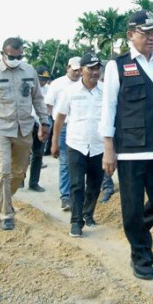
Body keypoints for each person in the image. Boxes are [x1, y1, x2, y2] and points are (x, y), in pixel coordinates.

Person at [100, 10, 153, 280]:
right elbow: (109, 107)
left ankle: (136, 228)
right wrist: (108, 147)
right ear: (131, 35)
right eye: (145, 32)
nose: (151, 37)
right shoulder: (117, 66)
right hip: (130, 150)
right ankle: (141, 255)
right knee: (132, 205)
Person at [0, 38, 50, 231]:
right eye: (12, 56)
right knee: (3, 171)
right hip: (0, 128)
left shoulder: (29, 71)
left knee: (19, 173)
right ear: (3, 54)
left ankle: (3, 196)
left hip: (24, 129)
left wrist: (44, 121)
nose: (16, 59)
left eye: (19, 56)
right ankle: (6, 214)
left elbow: (38, 99)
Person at [52, 52, 104, 238]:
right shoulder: (70, 91)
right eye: (90, 68)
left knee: (95, 184)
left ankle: (88, 213)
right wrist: (55, 142)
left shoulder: (105, 92)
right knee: (76, 185)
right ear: (82, 70)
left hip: (99, 146)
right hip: (76, 144)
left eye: (97, 68)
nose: (94, 72)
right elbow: (60, 117)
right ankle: (76, 222)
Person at [45, 56, 82, 211]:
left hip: (80, 127)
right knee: (66, 163)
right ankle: (65, 197)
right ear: (68, 68)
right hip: (63, 126)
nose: (78, 73)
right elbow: (49, 104)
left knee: (81, 163)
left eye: (80, 70)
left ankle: (79, 195)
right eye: (75, 70)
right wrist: (51, 126)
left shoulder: (84, 84)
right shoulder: (57, 84)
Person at [26, 65, 52, 192]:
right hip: (28, 122)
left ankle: (34, 183)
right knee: (23, 153)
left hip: (42, 123)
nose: (43, 81)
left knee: (38, 154)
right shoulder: (28, 87)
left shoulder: (49, 89)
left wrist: (44, 124)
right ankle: (19, 178)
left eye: (46, 79)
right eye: (41, 78)